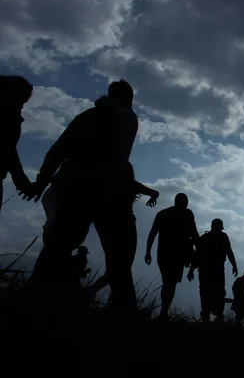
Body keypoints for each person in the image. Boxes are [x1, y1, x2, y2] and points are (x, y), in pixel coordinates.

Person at [25, 79, 140, 316]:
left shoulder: (87, 116)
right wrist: (119, 191)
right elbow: (119, 157)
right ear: (129, 98)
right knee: (118, 256)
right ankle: (124, 311)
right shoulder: (127, 116)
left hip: (72, 186)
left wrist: (42, 180)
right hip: (103, 191)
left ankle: (35, 301)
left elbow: (58, 149)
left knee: (58, 247)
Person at [145, 193, 200, 320]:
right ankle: (164, 312)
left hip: (169, 254)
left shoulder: (164, 214)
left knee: (168, 282)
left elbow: (153, 233)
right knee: (170, 282)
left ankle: (164, 311)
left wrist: (148, 251)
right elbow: (194, 234)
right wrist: (196, 252)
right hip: (173, 254)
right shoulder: (185, 214)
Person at [187, 218, 238, 323]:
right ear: (213, 227)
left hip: (217, 270)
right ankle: (206, 316)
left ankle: (218, 314)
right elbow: (197, 255)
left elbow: (229, 251)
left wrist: (234, 265)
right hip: (205, 270)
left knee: (219, 292)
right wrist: (191, 270)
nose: (219, 230)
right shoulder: (204, 238)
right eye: (218, 228)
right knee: (205, 292)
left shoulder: (223, 237)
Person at [1, 75, 34, 214]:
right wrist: (21, 180)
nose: (21, 106)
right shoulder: (9, 116)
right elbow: (6, 148)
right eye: (21, 101)